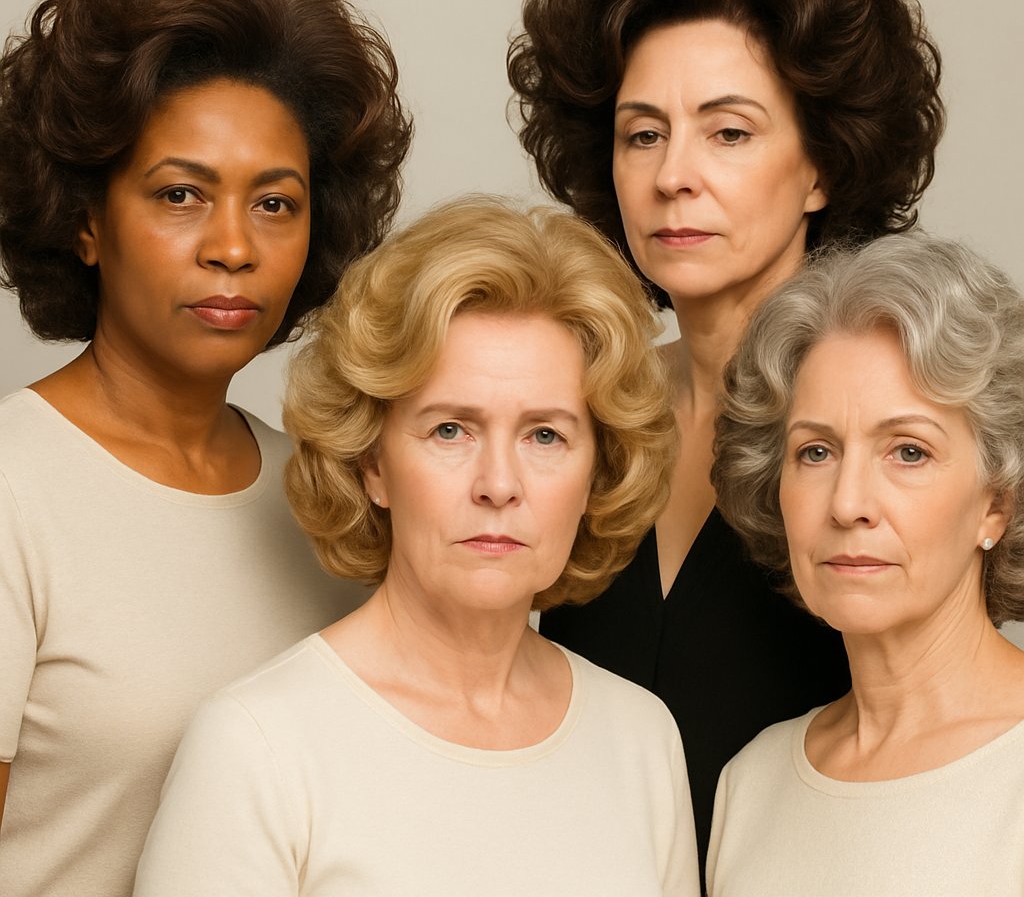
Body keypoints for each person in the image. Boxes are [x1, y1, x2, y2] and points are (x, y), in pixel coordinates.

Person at [507, 0, 944, 874]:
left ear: (820, 166)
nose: (674, 177)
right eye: (642, 134)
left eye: (729, 133)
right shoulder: (580, 412)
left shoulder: (895, 422)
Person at [132, 198, 700, 897]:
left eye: (544, 435)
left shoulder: (639, 738)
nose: (499, 484)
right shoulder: (258, 746)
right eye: (450, 430)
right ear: (372, 463)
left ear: (597, 472)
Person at [0, 0, 411, 897]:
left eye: (275, 203)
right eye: (180, 194)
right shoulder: (17, 491)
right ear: (86, 218)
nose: (232, 247)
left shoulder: (328, 496)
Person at [707, 232, 1024, 895]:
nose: (849, 504)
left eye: (907, 452)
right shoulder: (753, 784)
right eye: (815, 452)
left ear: (996, 502)